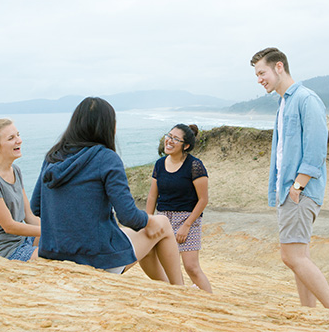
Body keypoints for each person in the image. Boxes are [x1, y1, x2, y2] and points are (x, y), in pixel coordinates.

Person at [30, 97, 184, 285]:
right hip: (96, 259)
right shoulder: (106, 158)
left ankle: (166, 288)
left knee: (147, 239)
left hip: (54, 253)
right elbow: (128, 216)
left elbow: (36, 207)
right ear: (107, 127)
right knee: (163, 224)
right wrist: (148, 221)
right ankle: (180, 289)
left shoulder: (52, 157)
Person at [250, 47, 329, 315]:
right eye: (257, 75)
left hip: (300, 191)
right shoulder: (284, 104)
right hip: (289, 192)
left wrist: (298, 186)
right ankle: (310, 314)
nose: (259, 79)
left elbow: (316, 149)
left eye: (262, 73)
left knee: (291, 256)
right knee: (299, 258)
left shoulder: (305, 99)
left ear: (279, 67)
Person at [146, 124, 212, 292]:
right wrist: (148, 219)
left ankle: (211, 301)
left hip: (188, 218)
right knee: (169, 267)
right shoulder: (159, 164)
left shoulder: (194, 166)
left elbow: (203, 200)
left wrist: (187, 225)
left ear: (186, 145)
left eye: (176, 139)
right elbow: (153, 196)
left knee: (191, 267)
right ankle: (181, 296)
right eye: (169, 136)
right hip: (163, 218)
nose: (170, 141)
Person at [0, 119, 40, 261]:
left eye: (18, 135)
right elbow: (9, 226)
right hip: (4, 251)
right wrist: (51, 231)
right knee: (61, 252)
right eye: (11, 138)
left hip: (24, 240)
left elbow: (29, 217)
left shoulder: (15, 170)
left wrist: (58, 228)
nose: (19, 140)